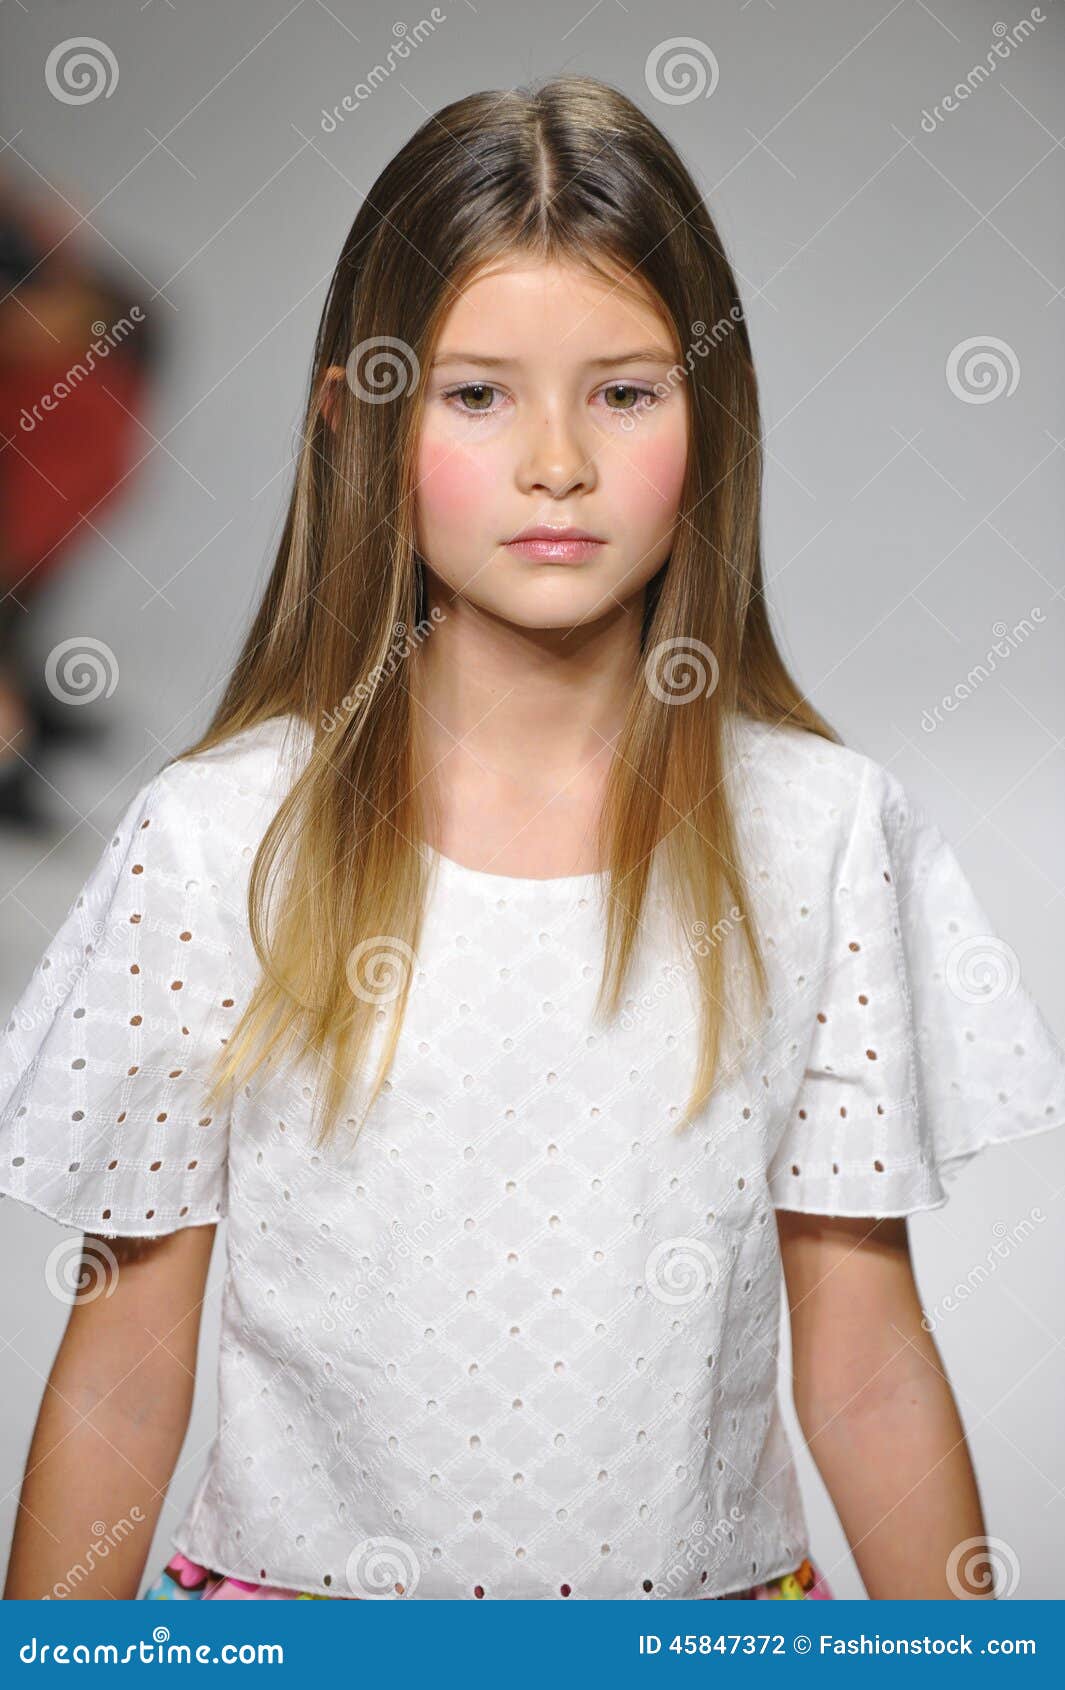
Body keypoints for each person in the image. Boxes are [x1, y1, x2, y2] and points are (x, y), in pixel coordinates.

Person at [2, 75, 1062, 1604]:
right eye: (476, 393)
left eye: (623, 390)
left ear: (712, 415)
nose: (554, 458)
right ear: (355, 412)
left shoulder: (824, 833)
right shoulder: (219, 839)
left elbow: (865, 1354)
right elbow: (125, 1354)